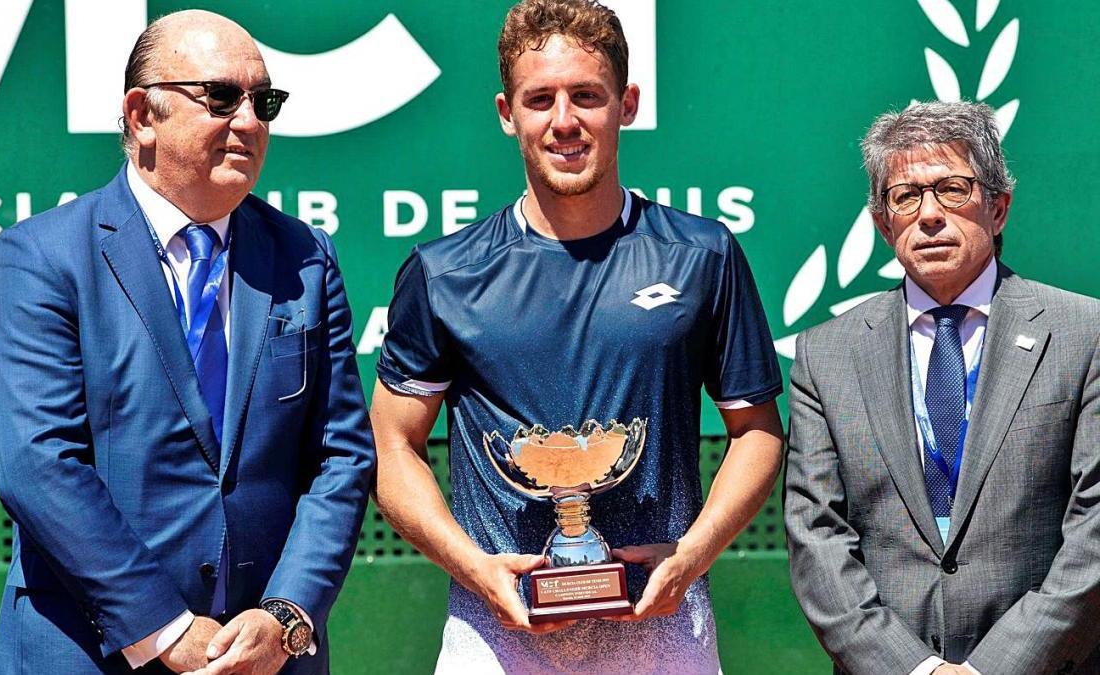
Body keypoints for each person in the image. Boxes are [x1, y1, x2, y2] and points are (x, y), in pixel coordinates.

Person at [370, 1, 785, 672]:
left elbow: (758, 431)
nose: (564, 121)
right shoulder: (444, 272)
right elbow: (393, 446)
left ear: (627, 103)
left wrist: (691, 552)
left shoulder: (701, 255)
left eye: (586, 96)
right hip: (496, 638)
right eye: (541, 99)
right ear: (508, 113)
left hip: (665, 635)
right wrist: (476, 568)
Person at [0, 10, 374, 674]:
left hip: (266, 659)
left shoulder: (305, 257)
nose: (249, 122)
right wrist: (163, 627)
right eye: (221, 98)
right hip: (89, 650)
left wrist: (285, 615)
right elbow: (39, 462)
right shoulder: (45, 257)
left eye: (264, 101)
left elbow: (341, 457)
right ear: (141, 116)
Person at [784, 100, 1100, 675]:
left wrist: (997, 668)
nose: (929, 215)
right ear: (884, 224)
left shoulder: (1084, 334)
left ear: (999, 208)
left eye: (952, 190)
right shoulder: (826, 355)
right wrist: (915, 669)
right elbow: (817, 536)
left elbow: (1094, 531)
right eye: (906, 197)